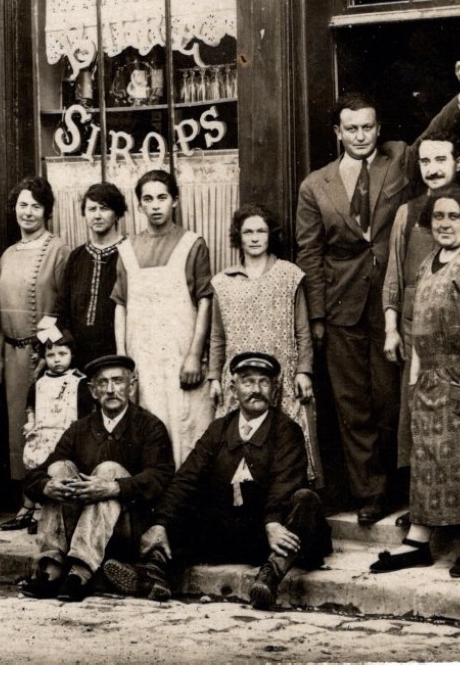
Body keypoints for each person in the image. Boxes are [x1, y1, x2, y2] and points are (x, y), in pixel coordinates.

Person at [120, 352, 332, 610]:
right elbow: (187, 478)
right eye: (248, 382)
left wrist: (274, 521)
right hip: (235, 533)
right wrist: (161, 523)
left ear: (274, 390)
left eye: (264, 382)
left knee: (305, 500)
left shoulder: (286, 430)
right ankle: (157, 572)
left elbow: (286, 481)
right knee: (188, 501)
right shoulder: (219, 428)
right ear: (234, 388)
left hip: (273, 535)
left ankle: (269, 578)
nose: (256, 390)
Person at [371, 187, 460, 577]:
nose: (444, 224)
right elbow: (419, 321)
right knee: (427, 459)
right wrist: (413, 378)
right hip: (427, 376)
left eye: (453, 217)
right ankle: (419, 539)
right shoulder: (430, 258)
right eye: (438, 217)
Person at [294, 91, 410, 524]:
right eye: (352, 128)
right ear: (338, 132)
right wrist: (318, 316)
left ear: (379, 129)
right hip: (341, 307)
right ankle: (370, 493)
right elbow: (310, 254)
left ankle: (406, 489)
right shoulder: (315, 185)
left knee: (390, 397)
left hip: (392, 302)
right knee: (352, 403)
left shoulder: (397, 160)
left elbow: (436, 136)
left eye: (368, 127)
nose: (360, 136)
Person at [19, 354, 175, 603]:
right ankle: (51, 568)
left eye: (118, 381)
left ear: (132, 386)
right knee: (59, 468)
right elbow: (36, 473)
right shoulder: (79, 429)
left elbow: (161, 476)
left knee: (108, 470)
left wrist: (114, 488)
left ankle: (80, 572)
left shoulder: (149, 426)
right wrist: (46, 486)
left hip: (127, 529)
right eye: (103, 383)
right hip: (81, 529)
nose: (111, 390)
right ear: (92, 390)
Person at [381, 132, 460, 501]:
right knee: (414, 417)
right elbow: (394, 275)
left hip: (456, 334)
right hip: (414, 332)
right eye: (425, 162)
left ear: (457, 163)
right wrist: (390, 328)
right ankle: (421, 503)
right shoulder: (408, 212)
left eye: (440, 160)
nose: (432, 169)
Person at [208, 203, 318, 481]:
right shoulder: (223, 282)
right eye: (248, 232)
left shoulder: (289, 275)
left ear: (271, 235)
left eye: (261, 231)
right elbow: (218, 336)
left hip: (282, 375)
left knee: (283, 443)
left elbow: (303, 330)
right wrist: (213, 377)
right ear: (238, 236)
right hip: (240, 378)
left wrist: (304, 370)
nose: (255, 237)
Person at [113, 168, 215, 467]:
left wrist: (195, 355)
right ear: (140, 205)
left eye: (162, 197)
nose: (155, 205)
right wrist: (122, 358)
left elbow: (205, 300)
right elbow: (121, 304)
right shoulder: (127, 249)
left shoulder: (192, 244)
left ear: (175, 201)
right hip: (142, 360)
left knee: (187, 428)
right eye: (148, 199)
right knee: (147, 429)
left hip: (180, 356)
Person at [0, 176, 69, 529]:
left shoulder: (57, 249)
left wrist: (47, 350)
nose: (28, 212)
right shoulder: (8, 252)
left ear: (47, 211)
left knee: (43, 428)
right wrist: (0, 352)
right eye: (22, 205)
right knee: (18, 430)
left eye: (35, 206)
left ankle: (40, 507)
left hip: (43, 357)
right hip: (12, 354)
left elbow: (61, 304)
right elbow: (2, 308)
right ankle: (25, 503)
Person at [41, 182, 127, 367]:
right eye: (91, 209)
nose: (97, 215)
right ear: (84, 213)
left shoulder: (129, 253)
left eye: (104, 209)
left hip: (116, 353)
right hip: (77, 356)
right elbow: (61, 308)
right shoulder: (77, 256)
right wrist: (45, 348)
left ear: (117, 213)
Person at [17, 332, 95, 530]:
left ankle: (50, 514)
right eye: (51, 355)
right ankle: (33, 509)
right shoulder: (39, 383)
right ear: (44, 357)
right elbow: (31, 407)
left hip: (66, 436)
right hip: (41, 434)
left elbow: (87, 413)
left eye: (62, 353)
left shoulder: (79, 381)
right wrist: (30, 422)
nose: (57, 359)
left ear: (72, 354)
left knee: (59, 471)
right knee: (34, 466)